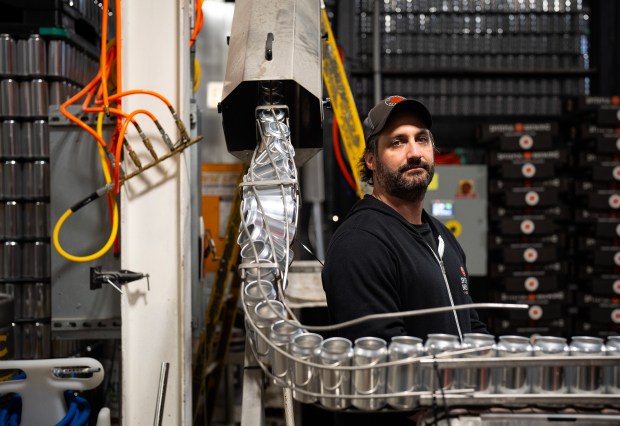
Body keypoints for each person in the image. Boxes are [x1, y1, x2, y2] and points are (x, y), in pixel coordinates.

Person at [320, 95, 487, 425]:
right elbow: (380, 358)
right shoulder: (362, 241)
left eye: (421, 139)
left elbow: (470, 324)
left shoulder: (442, 236)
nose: (414, 152)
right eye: (397, 142)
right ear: (371, 159)